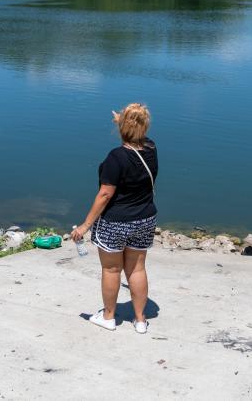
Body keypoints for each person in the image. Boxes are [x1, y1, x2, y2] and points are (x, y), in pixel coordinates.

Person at [71, 103, 158, 333]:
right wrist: (126, 121)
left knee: (111, 270)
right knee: (137, 269)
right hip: (145, 219)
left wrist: (85, 225)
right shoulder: (151, 148)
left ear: (122, 129)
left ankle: (109, 317)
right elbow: (141, 135)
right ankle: (140, 320)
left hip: (116, 222)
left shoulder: (116, 158)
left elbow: (105, 194)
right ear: (143, 127)